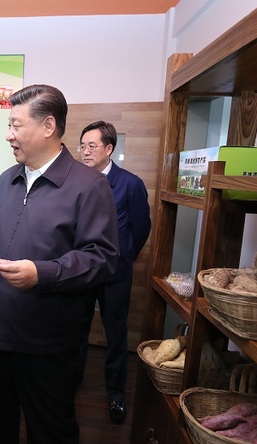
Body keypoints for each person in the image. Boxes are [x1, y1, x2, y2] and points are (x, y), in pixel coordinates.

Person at [0, 84, 119, 444]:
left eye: (15, 125)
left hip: (48, 342)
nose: (8, 135)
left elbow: (101, 258)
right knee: (2, 425)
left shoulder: (88, 186)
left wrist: (42, 273)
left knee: (50, 429)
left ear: (48, 126)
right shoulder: (7, 179)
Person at [78, 120, 151, 424]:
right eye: (81, 145)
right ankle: (71, 380)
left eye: (91, 146)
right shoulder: (77, 180)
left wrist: (125, 256)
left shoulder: (129, 183)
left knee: (115, 333)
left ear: (109, 149)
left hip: (115, 272)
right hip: (81, 269)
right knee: (76, 328)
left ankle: (116, 394)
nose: (84, 152)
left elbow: (141, 226)